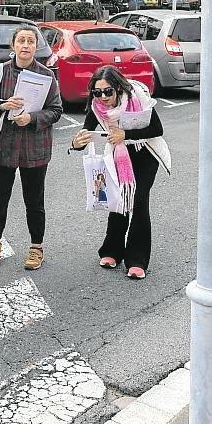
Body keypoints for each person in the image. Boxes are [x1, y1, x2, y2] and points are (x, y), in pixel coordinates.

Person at [70, 66, 170, 279]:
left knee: (138, 201)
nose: (103, 97)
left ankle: (137, 259)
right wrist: (76, 143)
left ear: (117, 88)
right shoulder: (96, 107)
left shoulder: (137, 97)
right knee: (117, 201)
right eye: (97, 92)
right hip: (118, 156)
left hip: (145, 153)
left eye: (107, 91)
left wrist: (125, 134)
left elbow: (156, 129)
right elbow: (87, 132)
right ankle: (112, 250)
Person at [0, 24, 62, 269]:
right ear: (13, 45)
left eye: (31, 41)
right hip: (4, 146)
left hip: (35, 147)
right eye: (21, 41)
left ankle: (36, 247)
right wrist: (1, 106)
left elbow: (56, 110)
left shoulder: (46, 75)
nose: (26, 45)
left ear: (36, 46)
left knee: (34, 200)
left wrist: (33, 118)